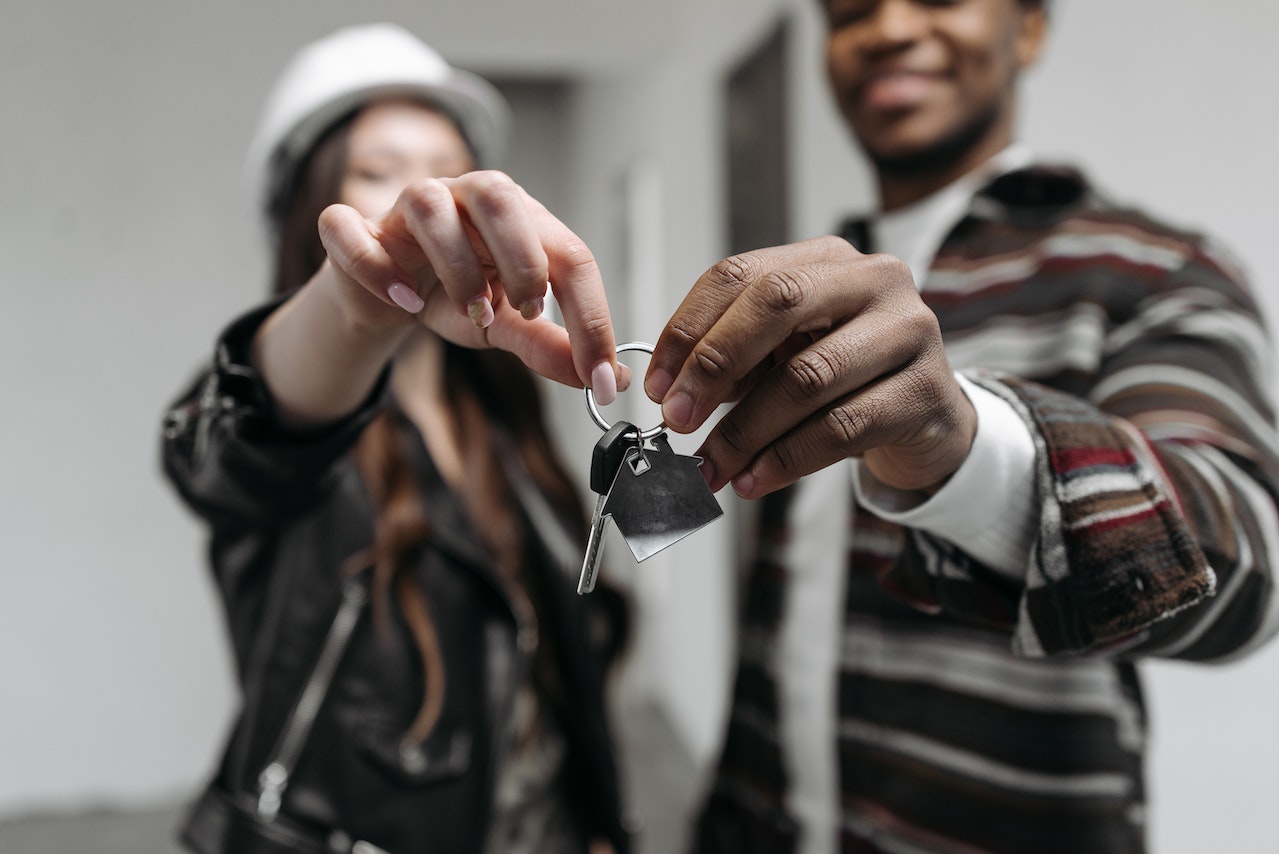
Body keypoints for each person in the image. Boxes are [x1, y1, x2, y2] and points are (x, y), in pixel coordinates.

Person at [644, 1, 1279, 852]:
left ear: (1028, 29)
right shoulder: (804, 283)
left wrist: (967, 446)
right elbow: (787, 626)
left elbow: (1246, 567)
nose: (889, 28)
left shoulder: (1149, 271)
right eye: (849, 12)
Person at [161, 23, 631, 854]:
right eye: (379, 175)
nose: (429, 201)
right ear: (310, 208)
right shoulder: (277, 400)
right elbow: (236, 443)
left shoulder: (502, 419)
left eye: (444, 174)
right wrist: (355, 306)